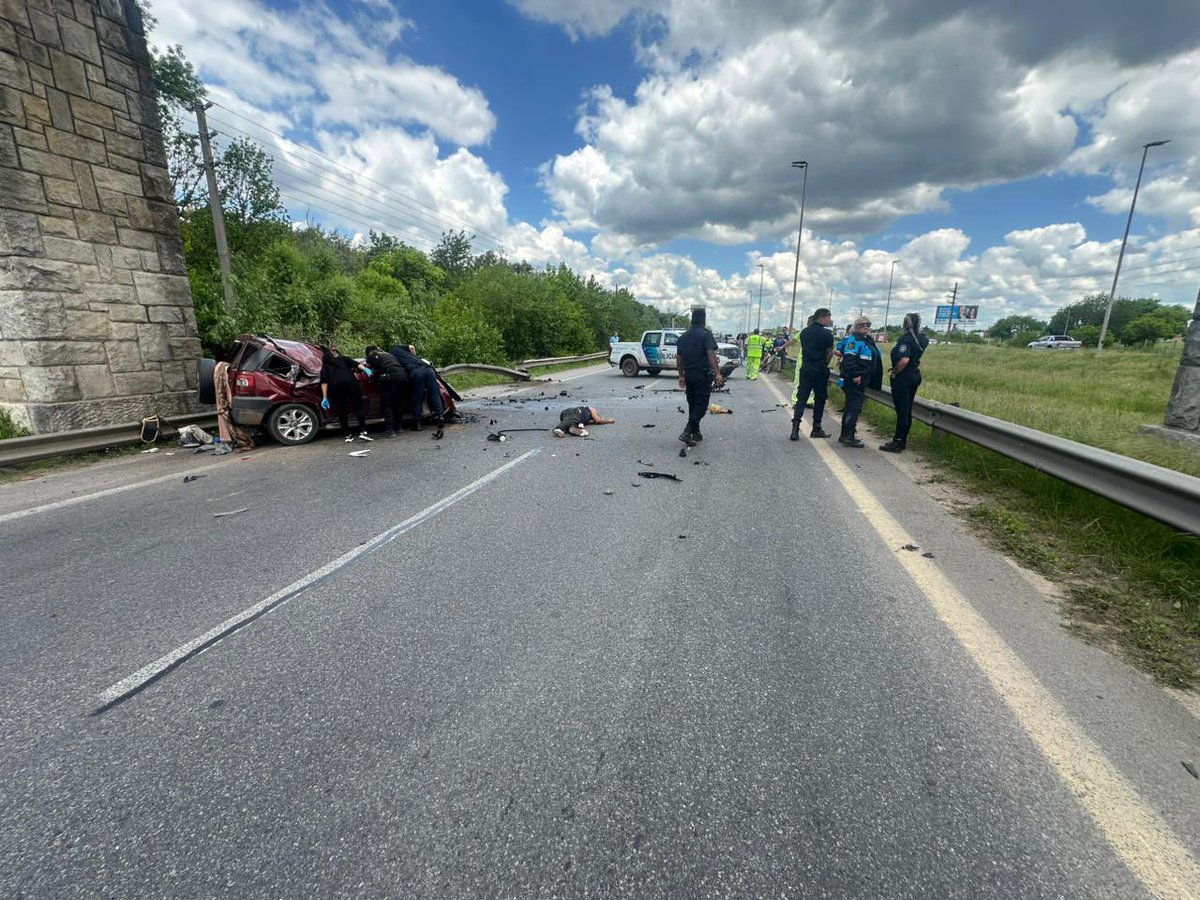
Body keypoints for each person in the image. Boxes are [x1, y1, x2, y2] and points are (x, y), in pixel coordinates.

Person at [675, 307, 725, 446]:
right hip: (702, 375)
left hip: (688, 375)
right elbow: (710, 354)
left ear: (692, 319)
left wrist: (681, 376)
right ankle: (687, 431)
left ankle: (695, 433)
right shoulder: (705, 335)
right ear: (703, 319)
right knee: (701, 406)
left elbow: (679, 359)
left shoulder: (683, 337)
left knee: (692, 404)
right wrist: (718, 373)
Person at [880, 313, 928, 453]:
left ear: (905, 324)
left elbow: (904, 360)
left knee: (902, 412)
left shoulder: (906, 340)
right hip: (914, 375)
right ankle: (902, 440)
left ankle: (898, 442)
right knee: (907, 411)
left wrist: (894, 372)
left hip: (904, 377)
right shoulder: (922, 339)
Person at [787, 308, 835, 440]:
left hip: (806, 368)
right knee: (819, 399)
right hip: (820, 369)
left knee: (801, 399)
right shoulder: (827, 334)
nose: (830, 320)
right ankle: (816, 428)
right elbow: (829, 352)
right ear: (822, 317)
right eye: (828, 317)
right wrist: (824, 364)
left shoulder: (804, 332)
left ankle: (795, 429)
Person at [837, 315, 883, 448]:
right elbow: (849, 360)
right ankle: (848, 437)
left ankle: (845, 435)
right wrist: (856, 375)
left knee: (852, 407)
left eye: (868, 324)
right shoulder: (854, 340)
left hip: (863, 379)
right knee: (853, 408)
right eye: (862, 325)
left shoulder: (867, 340)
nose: (865, 327)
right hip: (855, 380)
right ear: (856, 327)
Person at [319, 345, 372, 443]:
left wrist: (325, 397)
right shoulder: (343, 358)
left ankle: (348, 435)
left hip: (336, 388)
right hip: (351, 384)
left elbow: (324, 382)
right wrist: (366, 370)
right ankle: (363, 432)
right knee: (358, 408)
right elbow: (357, 364)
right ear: (333, 354)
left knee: (342, 411)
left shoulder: (325, 367)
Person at [388, 343, 446, 430]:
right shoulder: (400, 348)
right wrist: (414, 356)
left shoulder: (392, 354)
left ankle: (417, 423)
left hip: (416, 372)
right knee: (434, 393)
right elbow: (411, 347)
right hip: (428, 369)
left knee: (417, 396)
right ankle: (440, 416)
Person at [364, 346, 407, 438]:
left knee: (387, 404)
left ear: (368, 353)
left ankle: (390, 430)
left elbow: (369, 370)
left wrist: (374, 381)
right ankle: (399, 427)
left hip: (390, 377)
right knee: (398, 403)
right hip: (402, 376)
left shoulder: (371, 356)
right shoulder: (389, 355)